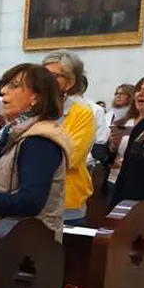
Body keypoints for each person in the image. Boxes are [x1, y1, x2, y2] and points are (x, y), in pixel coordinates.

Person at [0, 63, 72, 244]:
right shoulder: (10, 133)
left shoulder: (39, 141)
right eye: (5, 84)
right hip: (1, 240)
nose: (3, 90)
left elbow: (30, 202)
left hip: (24, 247)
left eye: (14, 86)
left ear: (36, 97)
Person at [42, 50, 96, 225]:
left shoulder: (82, 113)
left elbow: (70, 157)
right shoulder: (34, 108)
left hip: (66, 203)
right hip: (32, 200)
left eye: (54, 76)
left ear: (70, 82)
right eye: (43, 74)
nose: (46, 80)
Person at [111, 76, 144, 207]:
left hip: (140, 191)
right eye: (140, 90)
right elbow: (108, 155)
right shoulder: (124, 121)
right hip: (117, 181)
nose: (141, 93)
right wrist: (113, 146)